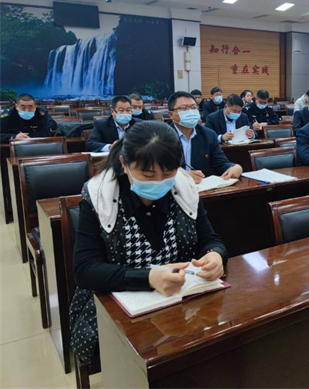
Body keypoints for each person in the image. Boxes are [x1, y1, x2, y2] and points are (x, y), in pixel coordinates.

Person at [70, 121, 228, 367]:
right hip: (118, 310)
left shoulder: (184, 188)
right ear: (124, 164)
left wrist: (215, 255)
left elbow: (210, 238)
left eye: (168, 172)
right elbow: (85, 270)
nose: (159, 182)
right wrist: (148, 278)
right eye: (147, 175)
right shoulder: (101, 196)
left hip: (180, 302)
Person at [167, 92, 242, 182]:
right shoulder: (160, 137)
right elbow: (157, 170)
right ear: (171, 114)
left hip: (202, 187)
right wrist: (183, 177)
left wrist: (234, 167)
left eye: (193, 107)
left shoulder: (209, 135)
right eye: (184, 108)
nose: (190, 112)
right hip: (171, 187)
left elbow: (220, 163)